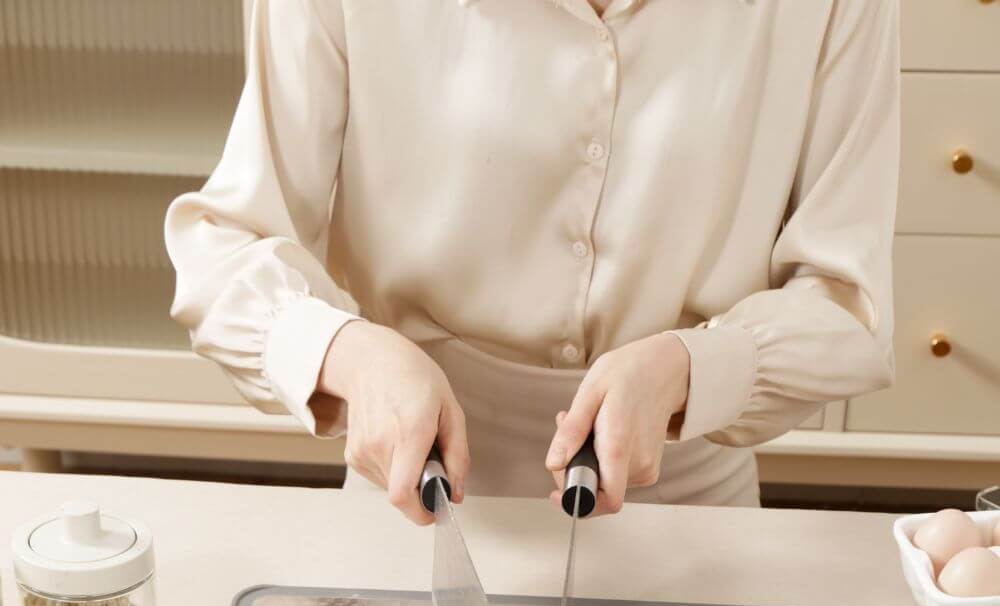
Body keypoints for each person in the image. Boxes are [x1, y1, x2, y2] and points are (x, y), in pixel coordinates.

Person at [166, 0, 899, 524]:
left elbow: (848, 308)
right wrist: (351, 357)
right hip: (416, 504)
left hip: (689, 519)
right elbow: (225, 250)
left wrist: (688, 370)